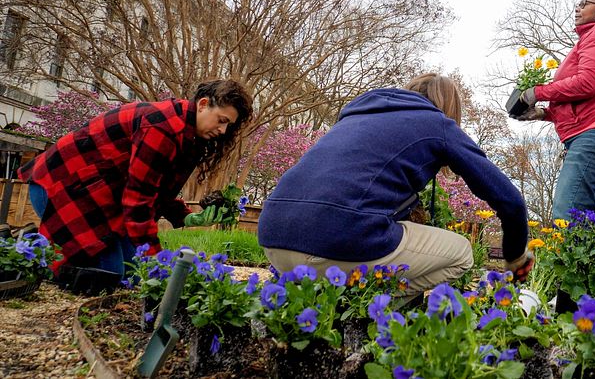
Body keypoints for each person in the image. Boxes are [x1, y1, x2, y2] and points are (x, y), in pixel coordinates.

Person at [257, 73, 532, 301]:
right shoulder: (437, 123)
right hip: (337, 240)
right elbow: (510, 202)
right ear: (449, 108)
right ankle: (367, 312)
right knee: (461, 254)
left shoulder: (355, 116)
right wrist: (515, 257)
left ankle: (330, 305)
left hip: (273, 237)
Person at [19, 79, 253, 292]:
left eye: (228, 126)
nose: (223, 130)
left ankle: (36, 249)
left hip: (100, 197)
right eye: (222, 121)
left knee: (133, 273)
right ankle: (28, 255)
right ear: (203, 104)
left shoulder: (186, 134)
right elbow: (138, 201)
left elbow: (155, 187)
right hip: (65, 187)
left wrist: (186, 216)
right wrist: (155, 260)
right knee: (110, 275)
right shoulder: (162, 128)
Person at [513, 0, 595, 221]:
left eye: (585, 3)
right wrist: (543, 113)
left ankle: (563, 257)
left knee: (567, 217)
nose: (578, 8)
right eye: (578, 3)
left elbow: (587, 83)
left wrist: (537, 92)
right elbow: (586, 100)